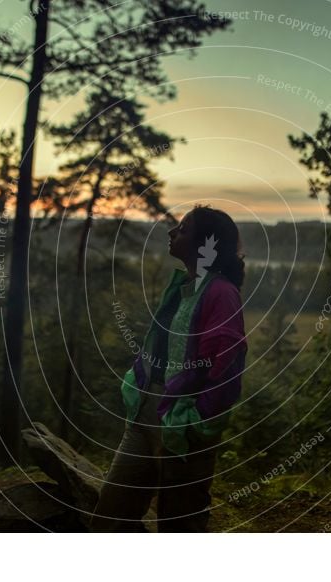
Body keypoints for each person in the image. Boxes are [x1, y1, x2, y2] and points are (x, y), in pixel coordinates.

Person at [90, 205, 247, 533]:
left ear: (206, 244)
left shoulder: (221, 293)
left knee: (179, 525)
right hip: (145, 415)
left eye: (183, 229)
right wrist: (139, 383)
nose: (172, 232)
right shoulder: (182, 287)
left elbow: (228, 365)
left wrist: (196, 421)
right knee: (111, 514)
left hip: (183, 426)